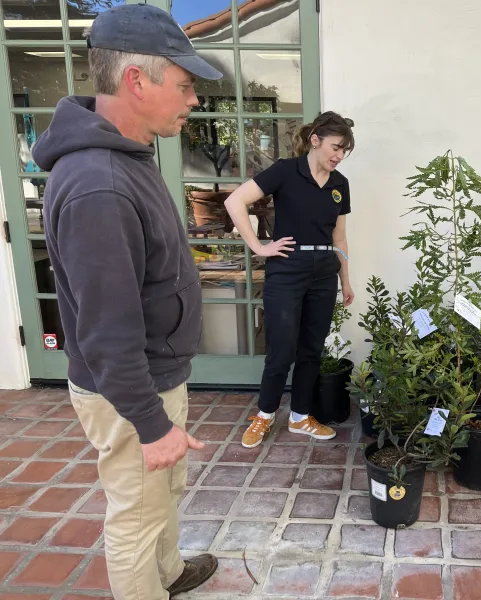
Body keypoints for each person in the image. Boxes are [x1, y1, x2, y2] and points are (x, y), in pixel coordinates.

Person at [32, 5, 222, 599]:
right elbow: (107, 330)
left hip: (153, 375)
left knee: (159, 494)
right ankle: (149, 582)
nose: (193, 100)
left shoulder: (126, 157)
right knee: (136, 514)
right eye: (185, 84)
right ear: (138, 80)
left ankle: (167, 575)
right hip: (128, 388)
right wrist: (149, 422)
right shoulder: (99, 183)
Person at [225, 112, 355, 448]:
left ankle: (300, 416)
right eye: (336, 147)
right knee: (281, 348)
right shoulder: (286, 170)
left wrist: (346, 280)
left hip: (324, 269)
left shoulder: (340, 184)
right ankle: (265, 415)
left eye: (345, 151)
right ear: (315, 140)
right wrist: (258, 247)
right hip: (287, 268)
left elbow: (339, 238)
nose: (339, 155)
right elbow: (234, 200)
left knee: (312, 348)